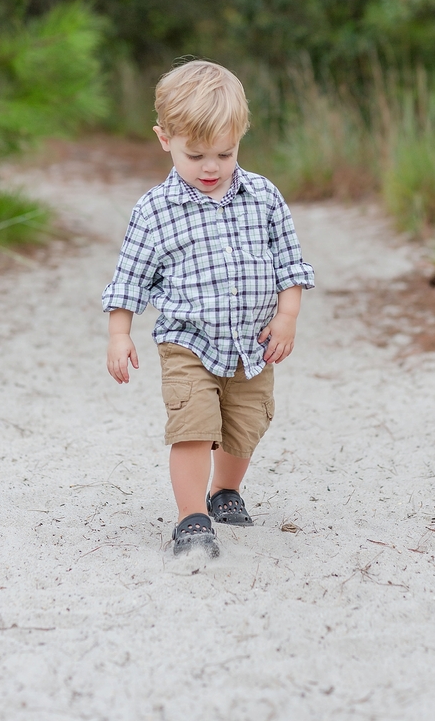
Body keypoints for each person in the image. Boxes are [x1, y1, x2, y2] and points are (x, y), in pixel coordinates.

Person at [103, 61, 314, 557]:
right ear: (164, 139)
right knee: (194, 426)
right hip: (188, 342)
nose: (212, 167)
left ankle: (225, 492)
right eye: (195, 154)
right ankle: (191, 518)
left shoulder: (263, 197)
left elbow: (291, 265)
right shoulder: (154, 211)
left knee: (245, 426)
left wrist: (287, 317)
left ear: (240, 137)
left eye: (225, 152)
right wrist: (119, 334)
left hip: (252, 345)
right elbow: (128, 279)